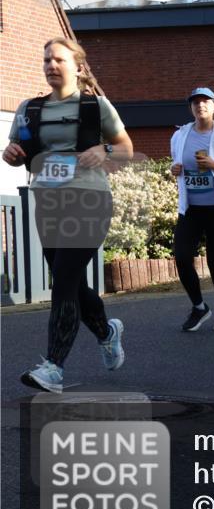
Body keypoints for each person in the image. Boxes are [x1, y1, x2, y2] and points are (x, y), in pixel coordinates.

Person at [4, 37, 133, 393]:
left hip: (89, 202)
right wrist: (11, 153)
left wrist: (103, 148)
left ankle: (53, 368)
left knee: (62, 282)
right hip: (48, 204)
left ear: (77, 66)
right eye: (46, 60)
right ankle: (107, 332)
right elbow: (14, 152)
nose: (50, 66)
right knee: (72, 283)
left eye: (58, 59)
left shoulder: (96, 107)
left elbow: (125, 148)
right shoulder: (29, 109)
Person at [170, 87, 214, 332]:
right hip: (191, 208)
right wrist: (175, 169)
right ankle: (199, 307)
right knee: (181, 256)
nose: (200, 106)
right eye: (195, 102)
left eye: (205, 102)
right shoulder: (180, 136)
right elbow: (177, 162)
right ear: (191, 108)